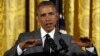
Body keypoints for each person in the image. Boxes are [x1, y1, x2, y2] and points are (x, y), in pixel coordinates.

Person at [4, 1, 97, 56]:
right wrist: (21, 47)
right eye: (43, 15)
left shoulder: (67, 39)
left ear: (56, 16)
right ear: (37, 19)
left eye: (51, 14)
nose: (48, 18)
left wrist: (89, 48)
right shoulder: (25, 38)